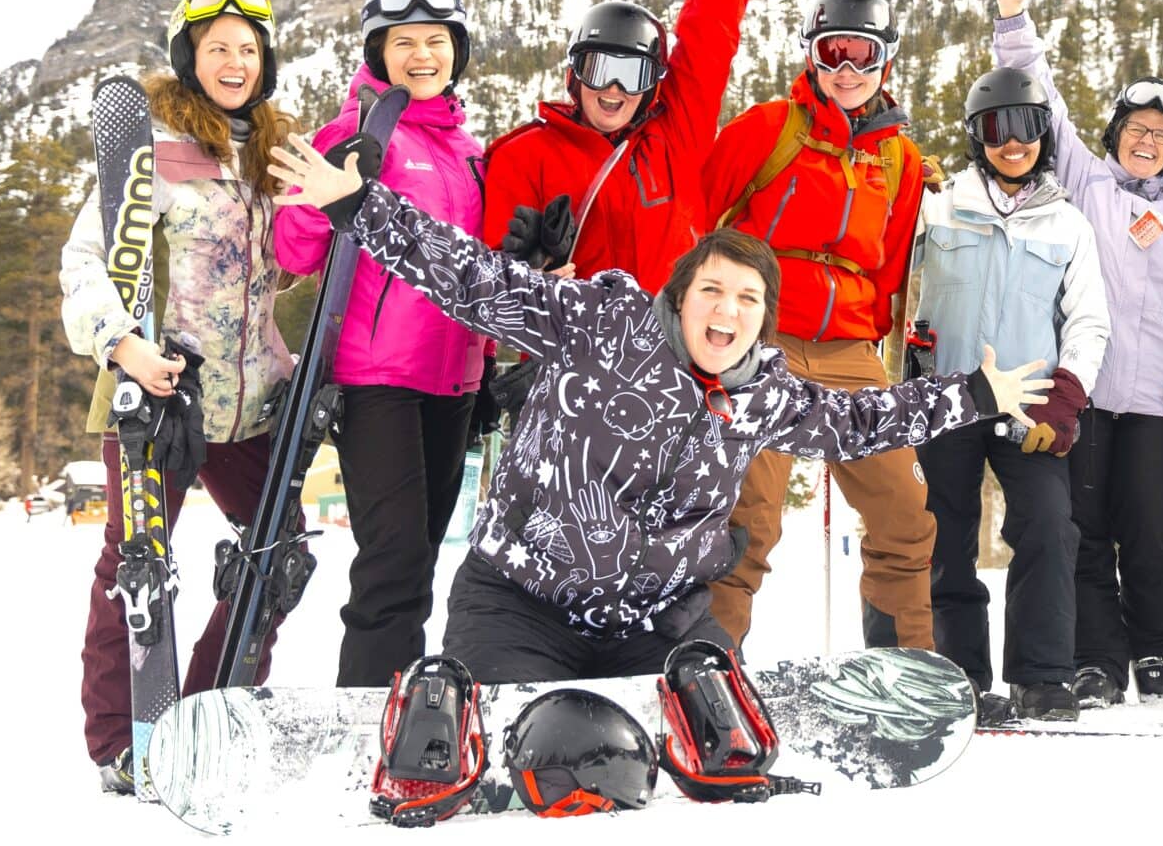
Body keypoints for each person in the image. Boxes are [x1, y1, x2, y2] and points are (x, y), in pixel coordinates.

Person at [264, 137, 1049, 681]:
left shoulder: (762, 393)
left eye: (748, 299)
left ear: (762, 319)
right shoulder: (601, 321)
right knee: (538, 753)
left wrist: (975, 394)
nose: (727, 310)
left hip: (657, 624)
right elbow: (474, 279)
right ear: (679, 298)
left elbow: (859, 422)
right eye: (710, 289)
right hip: (521, 605)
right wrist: (361, 205)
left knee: (703, 751)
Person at [59, 0, 297, 791]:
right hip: (160, 392)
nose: (234, 60)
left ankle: (207, 706)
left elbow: (287, 271)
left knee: (278, 558)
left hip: (255, 400)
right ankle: (120, 739)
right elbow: (87, 260)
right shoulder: (154, 149)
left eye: (248, 48)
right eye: (217, 46)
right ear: (188, 57)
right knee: (136, 567)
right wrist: (124, 346)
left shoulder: (273, 156)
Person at [989, 0, 1163, 704]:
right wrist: (1014, 16)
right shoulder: (1085, 179)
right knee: (1083, 527)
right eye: (1135, 129)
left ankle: (1155, 646)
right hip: (1083, 385)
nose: (1146, 142)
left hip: (1160, 393)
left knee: (1154, 530)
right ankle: (1099, 657)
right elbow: (1041, 98)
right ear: (1115, 132)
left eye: (1162, 135)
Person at [701, 0, 938, 647]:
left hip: (849, 351)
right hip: (762, 339)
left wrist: (877, 353)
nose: (847, 72)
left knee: (903, 510)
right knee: (748, 516)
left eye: (863, 56)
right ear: (811, 57)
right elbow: (697, 215)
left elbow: (889, 270)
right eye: (832, 54)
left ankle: (904, 669)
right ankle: (707, 670)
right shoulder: (771, 128)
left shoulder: (899, 159)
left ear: (885, 62)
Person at [273, 0, 488, 687]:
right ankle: (369, 716)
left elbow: (481, 273)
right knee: (391, 568)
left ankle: (406, 707)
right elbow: (294, 252)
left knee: (420, 560)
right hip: (379, 383)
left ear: (457, 51)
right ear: (378, 50)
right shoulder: (358, 133)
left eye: (436, 41)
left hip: (453, 384)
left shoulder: (469, 152)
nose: (421, 55)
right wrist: (327, 190)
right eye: (404, 42)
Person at [911, 61, 1110, 721]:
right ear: (977, 137)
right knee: (945, 532)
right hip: (950, 394)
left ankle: (1042, 674)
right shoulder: (938, 201)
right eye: (996, 129)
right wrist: (907, 353)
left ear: (1043, 135)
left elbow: (1089, 320)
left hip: (1030, 402)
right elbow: (889, 271)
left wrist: (1067, 396)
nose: (1012, 142)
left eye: (1026, 126)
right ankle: (958, 675)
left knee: (1050, 524)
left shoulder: (1067, 223)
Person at [481, 0, 754, 292]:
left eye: (633, 74)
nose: (614, 89)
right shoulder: (525, 155)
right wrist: (533, 282)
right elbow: (493, 278)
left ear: (651, 85)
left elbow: (708, 38)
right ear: (575, 76)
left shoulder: (676, 134)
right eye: (600, 70)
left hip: (667, 342)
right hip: (577, 343)